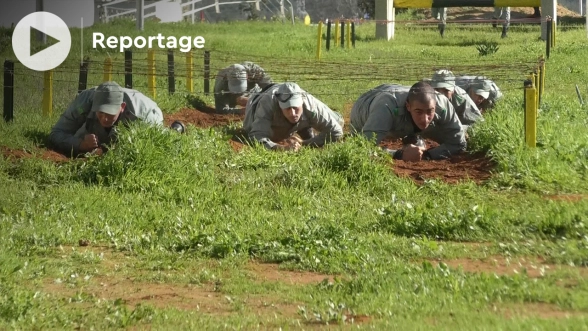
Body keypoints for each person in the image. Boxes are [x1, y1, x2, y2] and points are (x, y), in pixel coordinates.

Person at [350, 81, 467, 162]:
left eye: (430, 111)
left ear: (435, 106)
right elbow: (362, 148)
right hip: (365, 107)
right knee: (359, 144)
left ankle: (413, 136)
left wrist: (427, 155)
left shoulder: (443, 104)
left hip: (402, 98)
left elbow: (458, 143)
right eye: (419, 112)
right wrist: (399, 154)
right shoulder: (386, 106)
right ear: (408, 106)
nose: (425, 119)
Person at [49, 81, 164, 157]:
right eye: (100, 112)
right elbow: (57, 133)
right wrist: (81, 144)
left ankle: (176, 128)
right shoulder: (84, 102)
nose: (104, 118)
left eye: (110, 113)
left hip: (147, 116)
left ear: (122, 107)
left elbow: (153, 146)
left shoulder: (142, 115)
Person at [242, 82, 344, 151]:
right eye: (287, 108)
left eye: (296, 107)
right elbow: (256, 136)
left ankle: (304, 128)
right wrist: (281, 148)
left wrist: (305, 143)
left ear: (301, 102)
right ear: (279, 105)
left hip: (302, 110)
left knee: (339, 121)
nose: (292, 113)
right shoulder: (267, 103)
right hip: (259, 102)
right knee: (249, 129)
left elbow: (336, 132)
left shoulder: (309, 103)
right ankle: (300, 127)